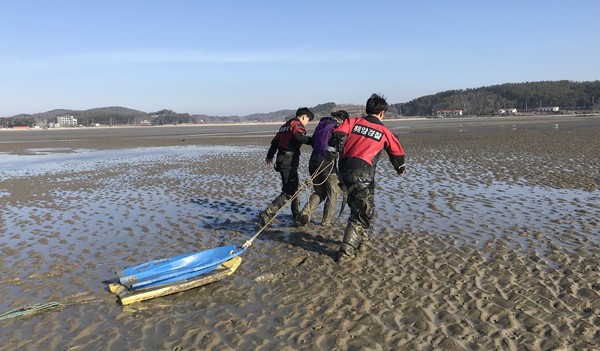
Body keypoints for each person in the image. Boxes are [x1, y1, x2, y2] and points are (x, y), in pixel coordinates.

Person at [329, 94, 405, 263]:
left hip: (343, 169)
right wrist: (400, 169)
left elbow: (336, 134)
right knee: (363, 212)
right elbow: (397, 152)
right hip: (363, 173)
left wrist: (332, 151)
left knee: (357, 206)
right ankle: (345, 253)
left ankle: (362, 241)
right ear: (382, 113)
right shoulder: (385, 132)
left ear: (366, 110)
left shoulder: (352, 122)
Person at [259, 107, 314, 226]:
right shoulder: (296, 124)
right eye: (308, 120)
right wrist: (314, 141)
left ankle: (296, 214)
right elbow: (298, 137)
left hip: (282, 159)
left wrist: (270, 155)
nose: (307, 123)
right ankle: (267, 213)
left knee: (296, 187)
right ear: (303, 116)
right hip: (288, 161)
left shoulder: (285, 125)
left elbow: (275, 142)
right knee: (289, 191)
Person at [296, 110, 348, 227]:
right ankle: (326, 222)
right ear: (344, 120)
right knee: (333, 192)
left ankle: (305, 213)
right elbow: (342, 148)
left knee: (320, 192)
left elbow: (314, 142)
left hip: (313, 161)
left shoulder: (321, 124)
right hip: (326, 163)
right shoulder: (339, 127)